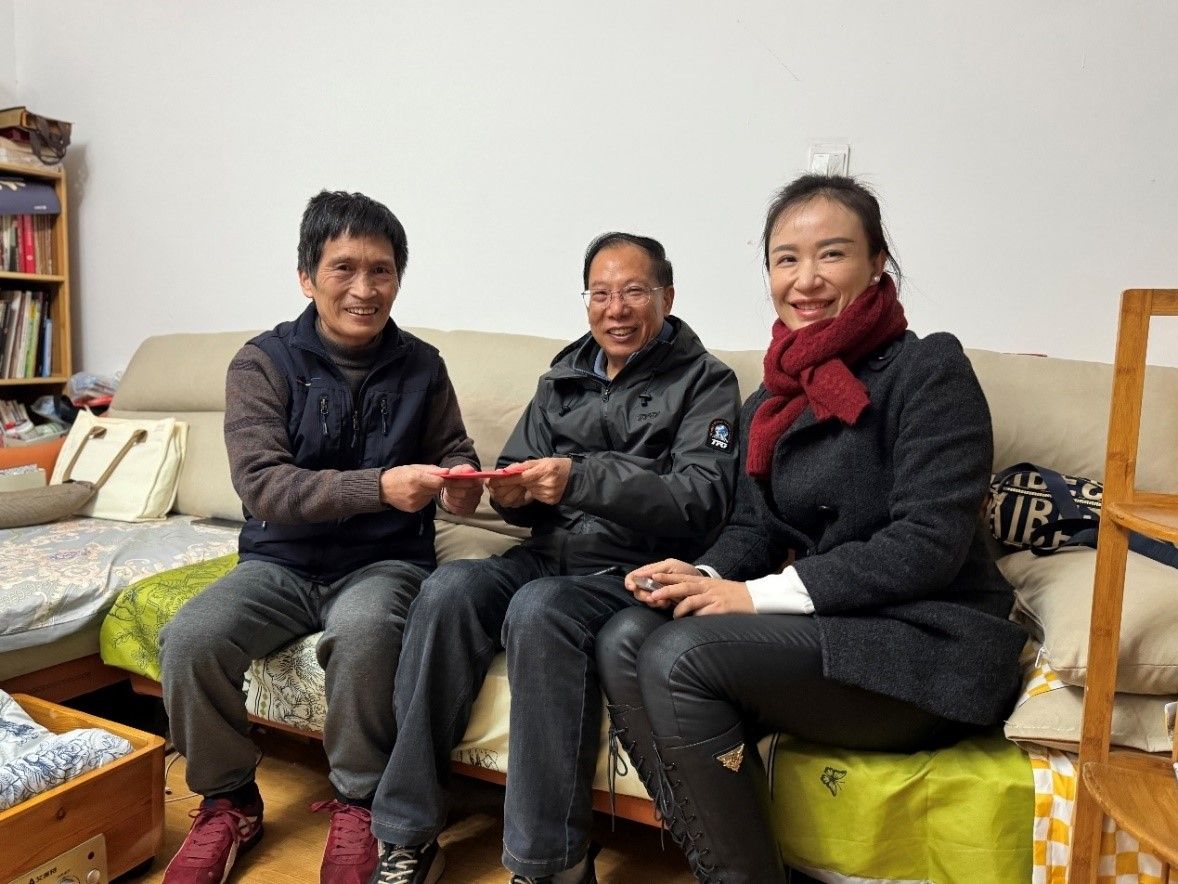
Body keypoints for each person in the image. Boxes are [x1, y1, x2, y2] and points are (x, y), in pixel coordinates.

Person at [594, 175, 1027, 884]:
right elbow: (752, 529)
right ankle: (726, 866)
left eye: (832, 254)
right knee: (625, 637)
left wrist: (754, 596)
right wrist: (702, 575)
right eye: (786, 259)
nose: (806, 280)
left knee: (681, 657)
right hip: (829, 628)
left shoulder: (928, 369)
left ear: (877, 261)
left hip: (922, 643)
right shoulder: (772, 398)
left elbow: (928, 544)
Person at [365, 232, 742, 884]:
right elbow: (517, 479)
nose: (615, 309)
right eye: (601, 294)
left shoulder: (706, 382)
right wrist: (508, 494)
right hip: (547, 554)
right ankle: (406, 834)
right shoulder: (563, 378)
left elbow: (701, 501)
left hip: (636, 567)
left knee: (542, 609)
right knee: (448, 589)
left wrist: (580, 480)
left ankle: (553, 863)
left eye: (633, 292)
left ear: (667, 296)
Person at [158, 190, 482, 884]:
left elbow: (453, 447)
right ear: (307, 277)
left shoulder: (423, 364)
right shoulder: (262, 362)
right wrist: (380, 487)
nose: (365, 289)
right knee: (190, 638)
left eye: (382, 271)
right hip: (280, 562)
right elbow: (263, 487)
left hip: (386, 561)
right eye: (344, 269)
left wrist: (461, 480)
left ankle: (360, 802)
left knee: (365, 633)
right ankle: (228, 801)